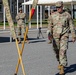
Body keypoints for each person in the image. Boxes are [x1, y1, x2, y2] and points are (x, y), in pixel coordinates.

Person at [48, 1, 76, 75]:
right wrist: (49, 34)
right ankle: (60, 62)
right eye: (57, 7)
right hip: (55, 36)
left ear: (62, 6)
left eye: (59, 7)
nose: (58, 9)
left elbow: (71, 26)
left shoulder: (67, 15)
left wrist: (73, 36)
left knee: (62, 50)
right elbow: (49, 25)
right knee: (56, 50)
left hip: (64, 35)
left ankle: (62, 67)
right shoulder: (52, 15)